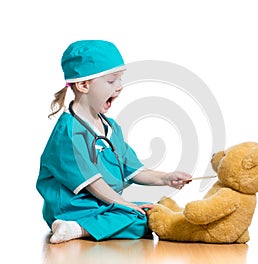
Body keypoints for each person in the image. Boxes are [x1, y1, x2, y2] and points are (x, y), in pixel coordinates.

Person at [36, 40, 192, 244]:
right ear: (84, 85)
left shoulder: (111, 128)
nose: (119, 87)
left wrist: (166, 178)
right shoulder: (68, 132)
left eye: (120, 80)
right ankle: (75, 227)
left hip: (100, 205)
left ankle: (87, 227)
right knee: (137, 216)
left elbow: (134, 170)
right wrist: (125, 204)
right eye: (111, 81)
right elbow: (93, 184)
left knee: (152, 212)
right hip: (72, 207)